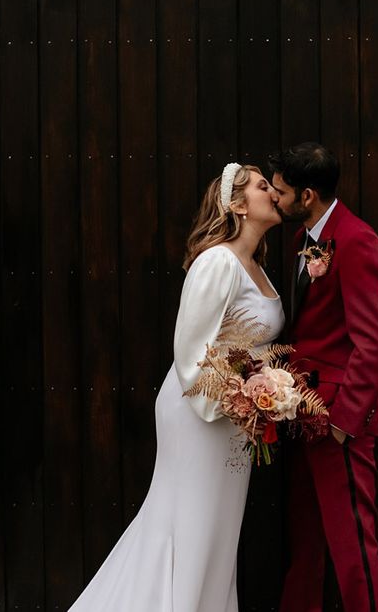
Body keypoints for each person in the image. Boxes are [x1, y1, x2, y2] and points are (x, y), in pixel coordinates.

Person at [68, 163, 284, 612]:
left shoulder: (256, 266)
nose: (274, 192)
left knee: (220, 534)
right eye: (264, 187)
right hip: (200, 411)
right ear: (239, 205)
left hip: (237, 419)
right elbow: (192, 351)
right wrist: (237, 397)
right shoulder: (218, 261)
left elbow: (253, 347)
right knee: (193, 525)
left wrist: (271, 388)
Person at [269, 142, 378, 612]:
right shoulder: (305, 238)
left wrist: (342, 422)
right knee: (307, 544)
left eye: (281, 192)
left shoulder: (356, 241)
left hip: (338, 420)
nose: (274, 199)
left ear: (308, 196)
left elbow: (373, 342)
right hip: (302, 413)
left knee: (353, 545)